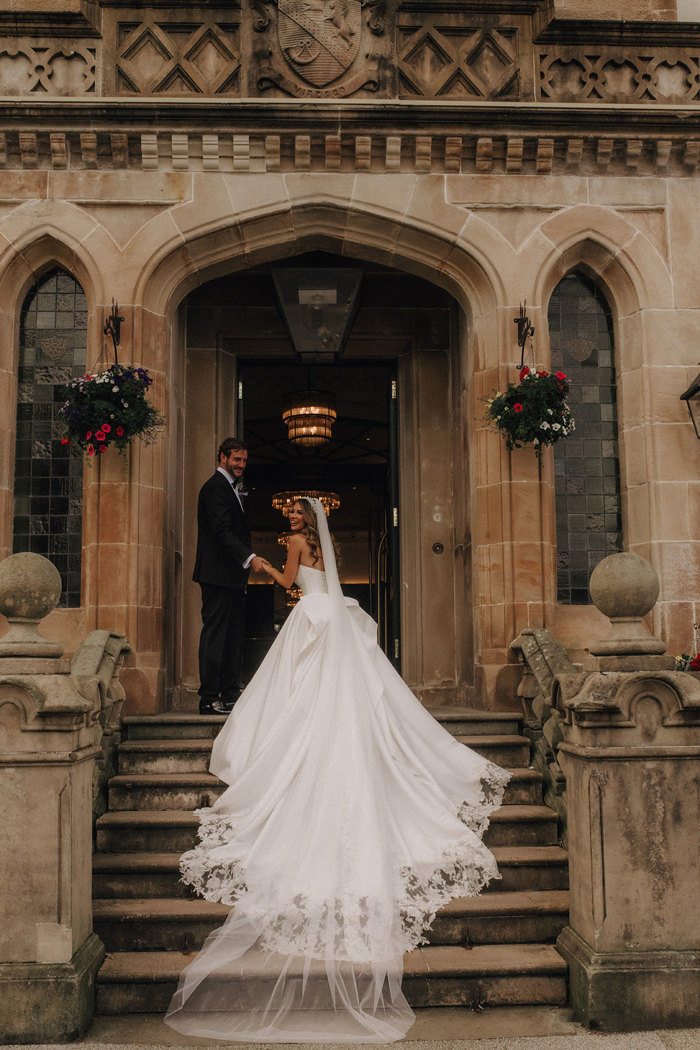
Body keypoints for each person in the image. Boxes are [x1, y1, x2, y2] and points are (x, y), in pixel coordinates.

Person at [166, 497, 510, 1042]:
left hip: (311, 616)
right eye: (297, 517)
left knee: (301, 689)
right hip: (334, 615)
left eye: (300, 516)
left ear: (308, 521)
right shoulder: (328, 548)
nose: (295, 522)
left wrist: (260, 563)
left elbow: (287, 584)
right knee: (337, 692)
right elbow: (317, 581)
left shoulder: (294, 545)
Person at [193, 437, 266, 715]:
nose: (241, 465)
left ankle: (231, 694)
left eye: (244, 461)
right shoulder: (214, 488)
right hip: (216, 574)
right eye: (236, 459)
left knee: (233, 636)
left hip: (232, 576)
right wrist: (249, 558)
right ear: (222, 457)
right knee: (216, 635)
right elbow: (221, 530)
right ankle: (209, 698)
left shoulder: (230, 488)